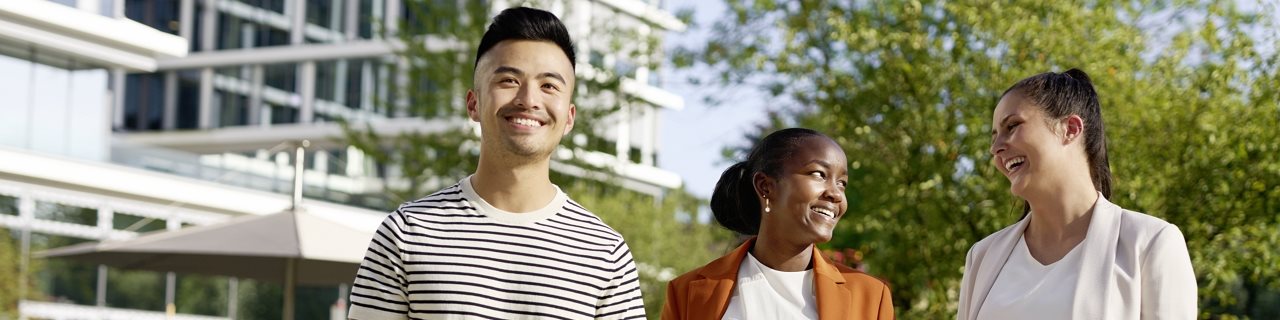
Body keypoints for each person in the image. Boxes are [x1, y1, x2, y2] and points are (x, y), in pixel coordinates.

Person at [347, 7, 645, 319]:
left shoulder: (605, 253)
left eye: (549, 86)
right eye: (508, 80)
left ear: (569, 117)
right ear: (473, 103)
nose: (528, 99)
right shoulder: (406, 233)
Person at [957, 69, 1197, 319]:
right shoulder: (982, 257)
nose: (995, 148)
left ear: (1070, 128)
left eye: (1012, 126)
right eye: (994, 136)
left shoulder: (1150, 244)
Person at [661, 128, 895, 320]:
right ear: (765, 187)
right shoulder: (686, 293)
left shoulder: (871, 298)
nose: (835, 193)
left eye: (842, 183)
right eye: (818, 174)